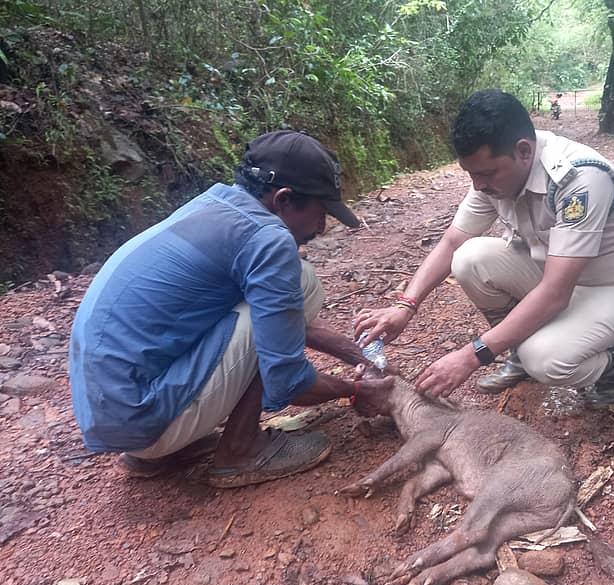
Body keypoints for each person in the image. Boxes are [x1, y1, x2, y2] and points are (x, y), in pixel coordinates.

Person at [69, 130, 394, 488]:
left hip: (114, 411)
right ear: (283, 199)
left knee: (276, 298)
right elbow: (286, 380)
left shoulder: (214, 204)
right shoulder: (269, 240)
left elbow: (276, 323)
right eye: (320, 213)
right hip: (143, 418)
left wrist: (359, 354)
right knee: (301, 281)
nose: (321, 226)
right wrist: (357, 391)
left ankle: (164, 451)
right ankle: (241, 451)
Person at [355, 89, 614, 407]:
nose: (478, 185)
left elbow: (554, 293)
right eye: (471, 174)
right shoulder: (493, 176)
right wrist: (405, 305)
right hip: (564, 280)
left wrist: (472, 355)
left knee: (545, 358)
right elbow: (452, 242)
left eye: (486, 174)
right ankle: (519, 352)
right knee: (469, 258)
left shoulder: (579, 180)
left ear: (523, 151)